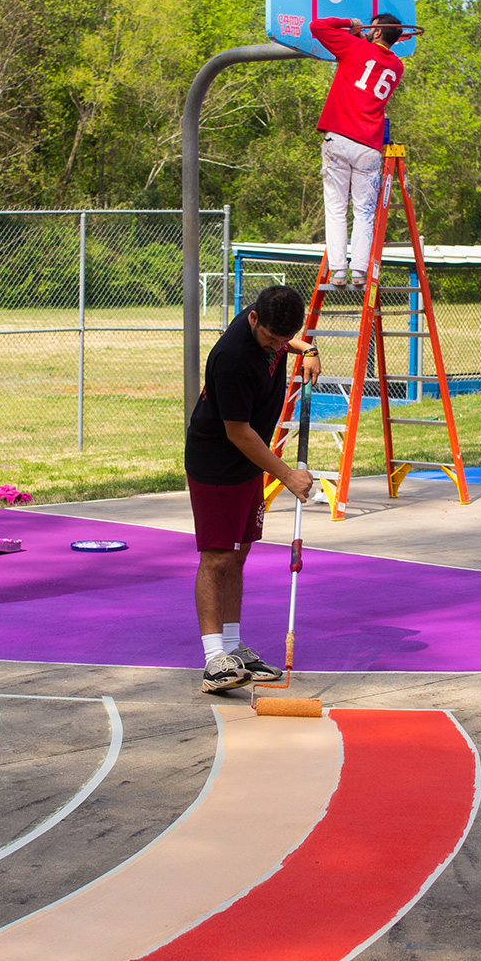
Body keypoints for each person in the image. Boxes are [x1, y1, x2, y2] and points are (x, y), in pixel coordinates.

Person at [185, 284, 321, 692]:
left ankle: (233, 648)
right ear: (254, 319)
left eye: (283, 340)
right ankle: (214, 661)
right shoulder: (232, 358)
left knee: (239, 555)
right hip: (218, 464)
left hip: (249, 461)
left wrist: (305, 350)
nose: (274, 347)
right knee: (217, 558)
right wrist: (287, 475)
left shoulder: (272, 323)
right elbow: (238, 432)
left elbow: (286, 340)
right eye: (270, 339)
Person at [310, 11, 405, 288]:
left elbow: (318, 25)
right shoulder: (397, 67)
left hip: (339, 137)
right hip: (369, 145)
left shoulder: (354, 46)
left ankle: (338, 269)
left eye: (370, 28)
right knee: (364, 212)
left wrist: (351, 25)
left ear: (376, 32)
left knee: (337, 208)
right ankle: (360, 271)